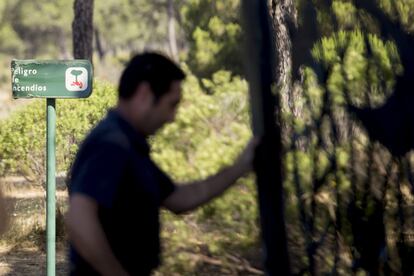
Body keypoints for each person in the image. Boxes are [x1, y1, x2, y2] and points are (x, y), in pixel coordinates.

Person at [66, 52, 258, 276]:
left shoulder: (129, 144)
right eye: (172, 105)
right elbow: (79, 218)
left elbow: (179, 198)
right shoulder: (111, 143)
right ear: (145, 95)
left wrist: (242, 165)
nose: (172, 117)